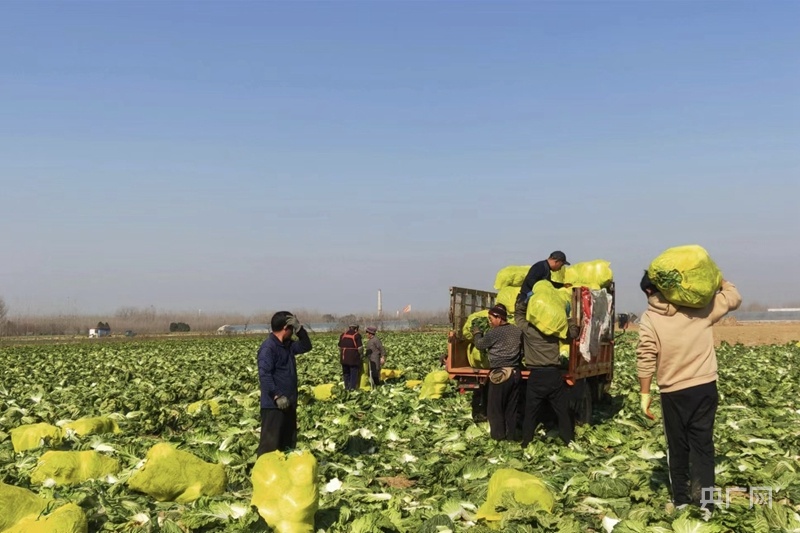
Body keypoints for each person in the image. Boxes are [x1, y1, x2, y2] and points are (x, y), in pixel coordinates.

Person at [637, 272, 741, 512]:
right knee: (703, 446)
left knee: (678, 447)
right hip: (704, 387)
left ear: (648, 292)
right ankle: (705, 505)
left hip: (673, 392)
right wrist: (718, 278)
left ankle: (682, 501)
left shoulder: (650, 318)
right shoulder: (699, 308)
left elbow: (645, 355)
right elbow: (734, 297)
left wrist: (645, 394)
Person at [516, 294, 578, 447]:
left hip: (536, 376)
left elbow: (519, 318)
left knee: (530, 412)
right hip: (553, 375)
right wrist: (569, 317)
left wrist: (522, 302)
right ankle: (568, 440)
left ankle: (526, 441)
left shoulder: (529, 331)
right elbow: (573, 334)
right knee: (562, 411)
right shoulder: (555, 331)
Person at [256, 311, 312, 456]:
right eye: (292, 329)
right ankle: (265, 475)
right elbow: (265, 375)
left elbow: (306, 346)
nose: (293, 332)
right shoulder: (268, 348)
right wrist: (277, 395)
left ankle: (284, 474)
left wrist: (300, 329)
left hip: (289, 403)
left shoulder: (288, 346)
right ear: (285, 328)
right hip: (274, 406)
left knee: (287, 444)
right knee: (270, 446)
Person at [472, 304, 523, 441]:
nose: (489, 322)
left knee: (495, 409)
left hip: (500, 374)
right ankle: (511, 437)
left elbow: (480, 345)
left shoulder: (495, 332)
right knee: (511, 407)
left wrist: (477, 333)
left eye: (491, 318)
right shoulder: (517, 331)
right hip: (515, 373)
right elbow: (522, 351)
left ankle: (498, 438)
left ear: (499, 318)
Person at [338, 324, 363, 390]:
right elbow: (360, 348)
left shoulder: (343, 335)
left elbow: (339, 347)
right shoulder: (357, 335)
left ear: (349, 328)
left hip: (344, 358)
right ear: (356, 329)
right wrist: (361, 355)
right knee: (353, 373)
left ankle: (346, 387)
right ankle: (352, 388)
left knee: (346, 373)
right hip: (353, 359)